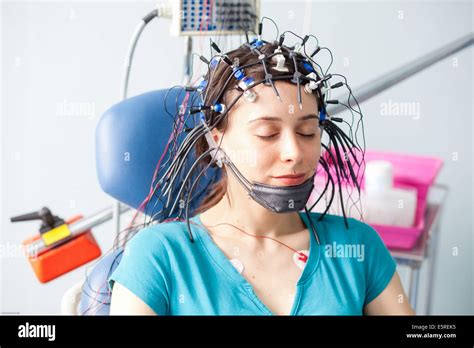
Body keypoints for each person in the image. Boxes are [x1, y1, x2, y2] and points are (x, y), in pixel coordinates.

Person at [107, 35, 415, 316]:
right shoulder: (159, 257)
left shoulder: (356, 246)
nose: (294, 152)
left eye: (308, 132)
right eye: (267, 134)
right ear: (217, 140)